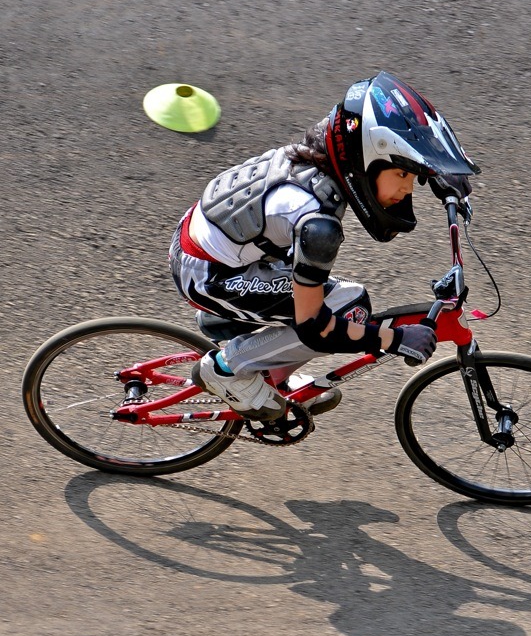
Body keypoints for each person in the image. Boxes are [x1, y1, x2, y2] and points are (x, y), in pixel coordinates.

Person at [169, 71, 480, 422]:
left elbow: (365, 136)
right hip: (208, 274)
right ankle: (227, 369)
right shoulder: (317, 224)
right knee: (346, 310)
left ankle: (273, 374)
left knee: (345, 300)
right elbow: (314, 327)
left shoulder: (324, 153)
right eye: (403, 175)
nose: (408, 190)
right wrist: (394, 338)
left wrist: (437, 172)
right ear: (366, 162)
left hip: (214, 241)